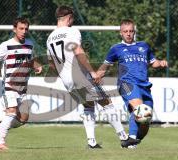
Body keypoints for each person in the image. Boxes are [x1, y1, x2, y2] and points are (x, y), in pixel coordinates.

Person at [46, 6, 128, 149]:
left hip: (67, 81)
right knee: (106, 102)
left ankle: (91, 141)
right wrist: (92, 72)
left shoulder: (50, 38)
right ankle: (124, 138)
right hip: (79, 76)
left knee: (88, 106)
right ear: (69, 17)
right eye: (73, 18)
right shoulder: (72, 31)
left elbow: (52, 65)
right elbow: (78, 51)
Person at [97, 19, 168, 148]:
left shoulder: (144, 46)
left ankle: (133, 140)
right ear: (121, 33)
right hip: (126, 83)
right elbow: (105, 66)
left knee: (145, 121)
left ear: (134, 32)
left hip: (144, 86)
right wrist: (96, 76)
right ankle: (131, 138)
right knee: (139, 109)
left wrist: (161, 63)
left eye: (131, 31)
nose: (128, 34)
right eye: (125, 31)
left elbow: (153, 62)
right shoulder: (116, 48)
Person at [0, 17, 42, 150]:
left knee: (23, 118)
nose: (24, 31)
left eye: (26, 29)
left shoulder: (30, 44)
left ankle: (0, 128)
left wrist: (37, 66)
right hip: (9, 85)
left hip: (22, 87)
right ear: (14, 29)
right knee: (11, 111)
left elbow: (30, 60)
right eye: (21, 28)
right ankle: (1, 143)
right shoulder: (6, 45)